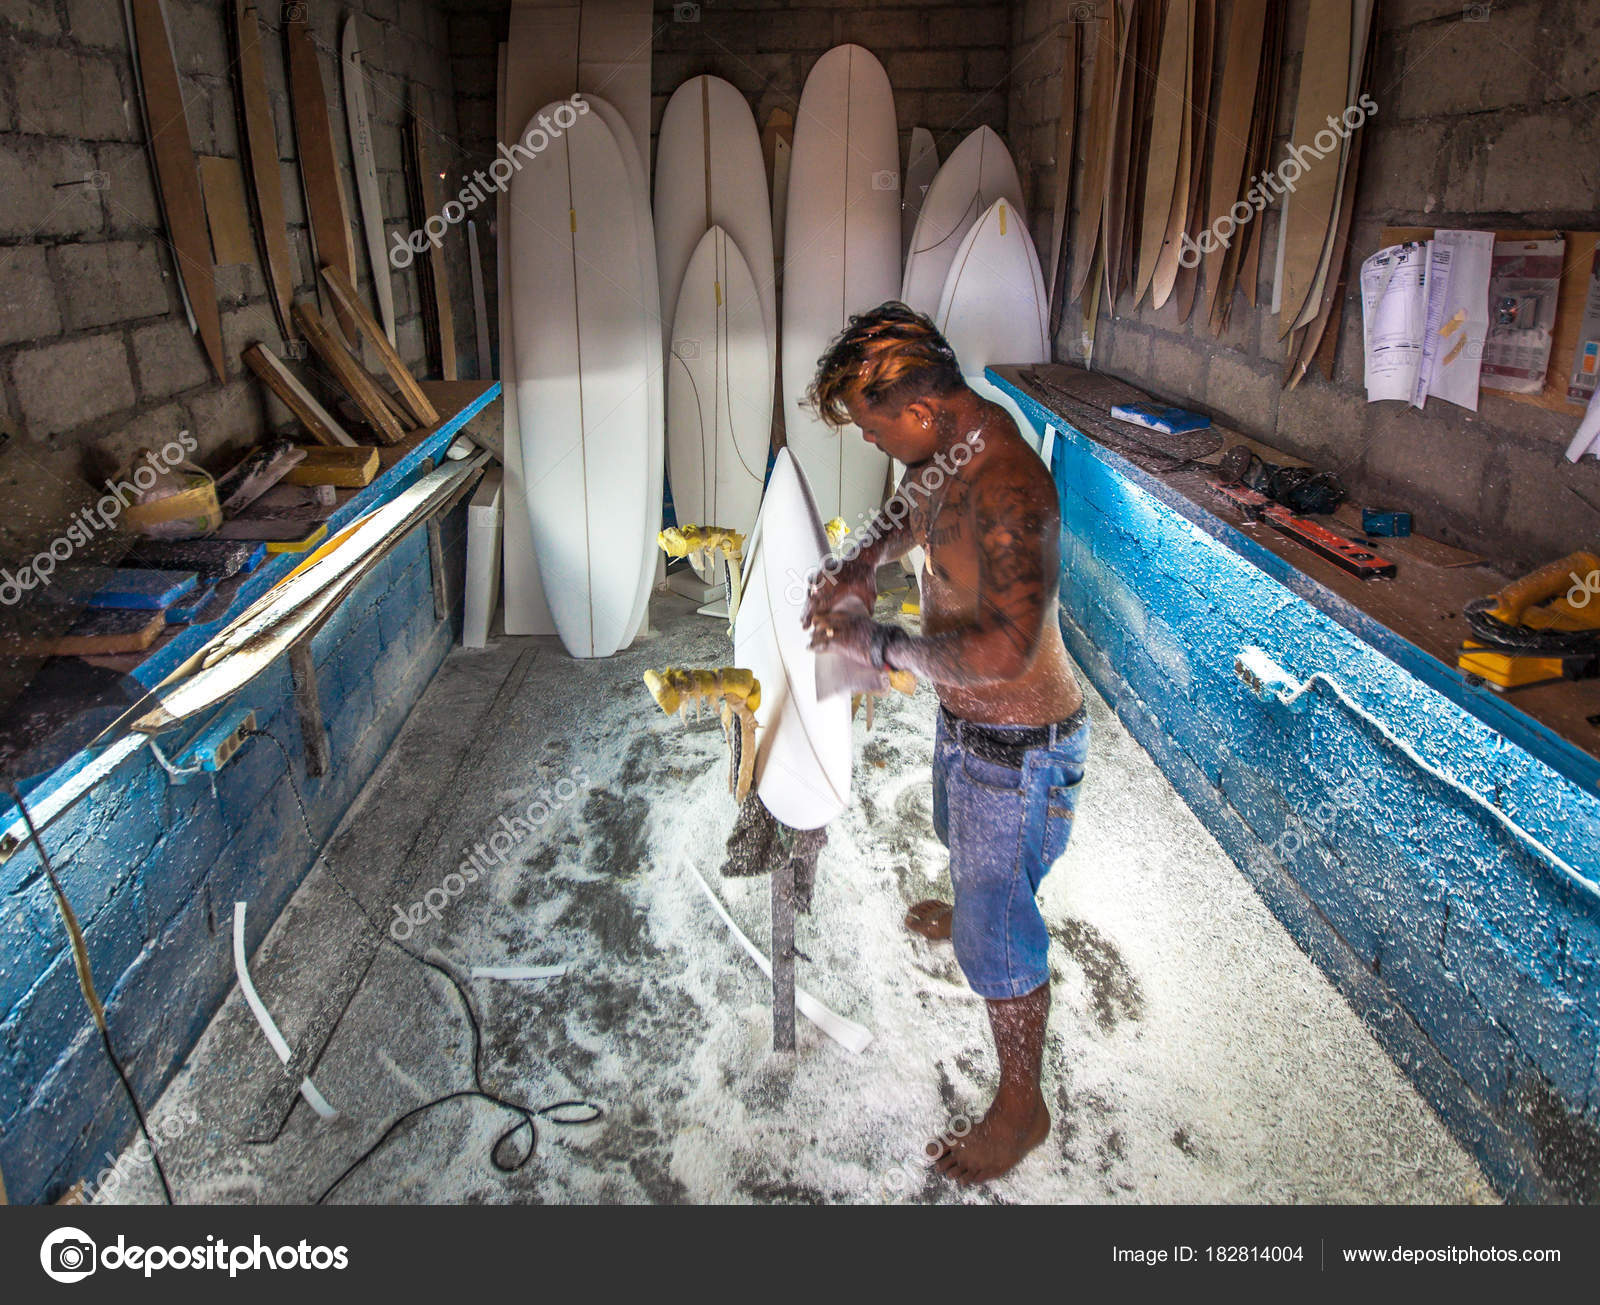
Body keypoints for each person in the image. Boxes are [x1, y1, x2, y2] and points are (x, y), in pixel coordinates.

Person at [802, 303, 1088, 1186]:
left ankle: (1021, 1107)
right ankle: (981, 903)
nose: (872, 441)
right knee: (960, 845)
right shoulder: (947, 447)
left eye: (872, 426)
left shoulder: (1007, 489)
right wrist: (863, 563)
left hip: (1019, 745)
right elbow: (910, 510)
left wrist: (880, 644)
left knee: (998, 942)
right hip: (969, 728)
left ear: (919, 413)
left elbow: (1002, 653)